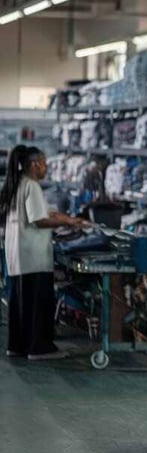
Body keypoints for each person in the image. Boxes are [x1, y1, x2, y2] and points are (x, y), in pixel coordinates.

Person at [0, 145, 84, 359]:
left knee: (20, 303)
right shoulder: (32, 186)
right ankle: (39, 348)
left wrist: (59, 216)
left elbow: (35, 213)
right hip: (33, 254)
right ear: (35, 164)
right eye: (45, 163)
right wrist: (66, 221)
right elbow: (39, 220)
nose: (46, 168)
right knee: (37, 303)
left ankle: (17, 346)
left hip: (18, 254)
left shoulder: (16, 184)